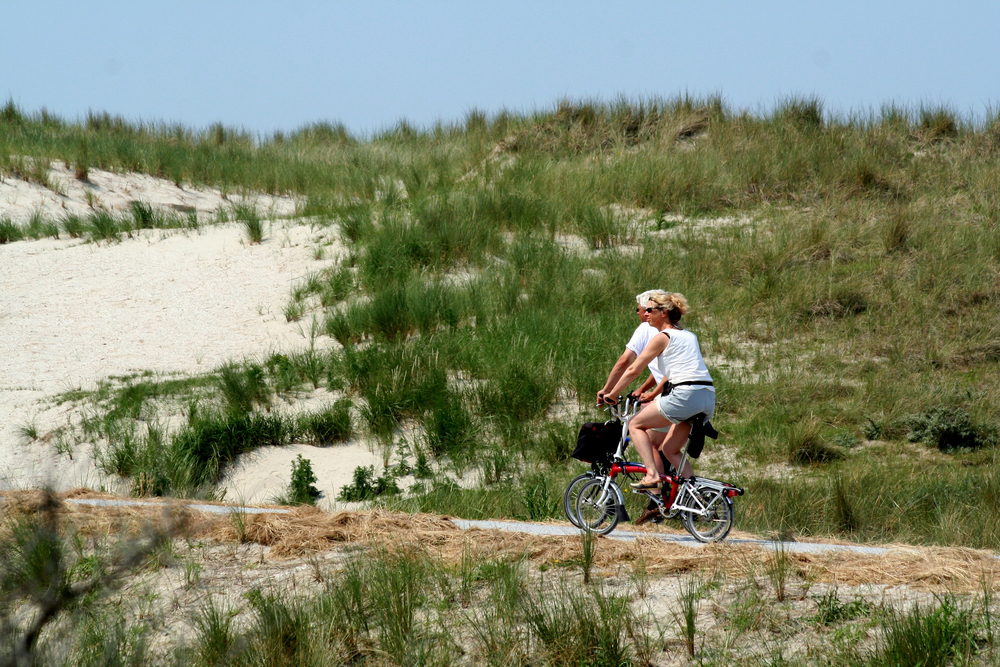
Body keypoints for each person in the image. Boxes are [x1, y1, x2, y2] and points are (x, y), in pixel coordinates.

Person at [603, 292, 715, 499]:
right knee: (670, 449)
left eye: (650, 310)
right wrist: (653, 392)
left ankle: (652, 475)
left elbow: (633, 369)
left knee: (635, 424)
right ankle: (697, 497)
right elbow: (671, 373)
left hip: (685, 394)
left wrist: (612, 393)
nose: (646, 314)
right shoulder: (689, 336)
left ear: (663, 313)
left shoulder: (662, 337)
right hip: (707, 397)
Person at [596, 290, 670, 474]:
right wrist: (643, 388)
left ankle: (658, 498)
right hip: (691, 394)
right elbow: (663, 369)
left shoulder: (646, 329)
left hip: (670, 396)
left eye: (638, 309)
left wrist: (607, 391)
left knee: (648, 441)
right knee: (668, 449)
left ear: (649, 310)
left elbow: (625, 362)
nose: (638, 313)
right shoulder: (674, 330)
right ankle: (681, 491)